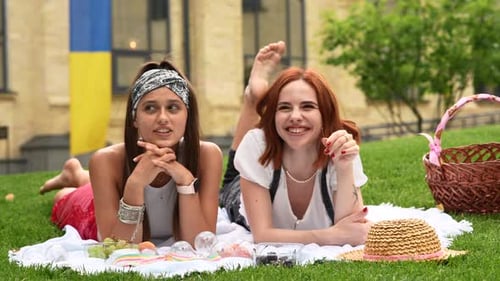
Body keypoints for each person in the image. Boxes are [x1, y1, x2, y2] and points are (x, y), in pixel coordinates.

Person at [40, 60, 223, 246]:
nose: (162, 118)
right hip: (99, 215)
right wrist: (135, 185)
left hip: (113, 191)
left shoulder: (208, 155)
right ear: (135, 117)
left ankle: (77, 174)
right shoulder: (105, 160)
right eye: (150, 108)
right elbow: (119, 246)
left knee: (91, 185)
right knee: (63, 196)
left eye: (173, 107)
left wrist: (185, 182)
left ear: (187, 114)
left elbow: (200, 243)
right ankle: (74, 175)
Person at [219, 41, 372, 246]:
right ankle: (253, 99)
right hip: (246, 185)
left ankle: (257, 98)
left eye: (307, 106)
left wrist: (344, 167)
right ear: (273, 115)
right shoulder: (257, 144)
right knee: (232, 179)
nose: (295, 116)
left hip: (269, 165)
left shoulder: (341, 145)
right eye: (284, 108)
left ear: (324, 114)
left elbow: (351, 230)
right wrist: (328, 236)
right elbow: (263, 235)